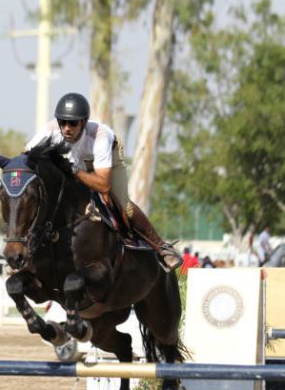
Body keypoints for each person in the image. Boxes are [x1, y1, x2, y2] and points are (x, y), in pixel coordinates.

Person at [24, 92, 182, 272]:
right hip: (78, 163)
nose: (67, 128)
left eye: (73, 123)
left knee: (122, 204)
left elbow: (103, 186)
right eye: (63, 122)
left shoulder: (99, 136)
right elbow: (25, 156)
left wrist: (73, 170)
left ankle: (162, 248)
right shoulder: (50, 131)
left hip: (108, 162)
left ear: (83, 122)